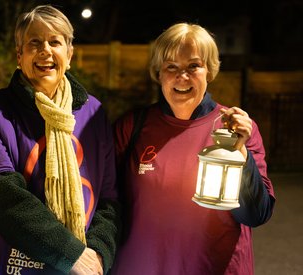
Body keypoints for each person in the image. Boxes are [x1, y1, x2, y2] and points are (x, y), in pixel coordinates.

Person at [112, 22, 275, 275]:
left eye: (193, 66)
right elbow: (106, 202)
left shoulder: (234, 128)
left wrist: (241, 154)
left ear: (209, 70)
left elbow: (256, 214)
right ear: (158, 72)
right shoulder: (133, 127)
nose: (182, 76)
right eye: (171, 67)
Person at [0, 5, 121, 275]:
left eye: (55, 42)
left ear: (69, 54)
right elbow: (1, 195)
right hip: (11, 266)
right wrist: (71, 256)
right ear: (19, 55)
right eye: (34, 43)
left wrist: (98, 255)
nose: (45, 51)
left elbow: (108, 199)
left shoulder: (93, 112)